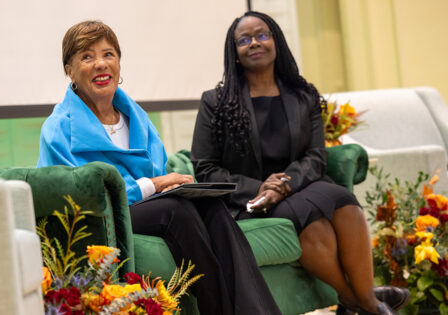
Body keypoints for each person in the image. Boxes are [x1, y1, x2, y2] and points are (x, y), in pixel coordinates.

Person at [37, 20, 281, 315]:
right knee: (174, 210)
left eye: (108, 54)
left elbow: (158, 169)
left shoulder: (136, 116)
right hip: (100, 217)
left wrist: (174, 185)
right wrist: (154, 185)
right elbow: (82, 195)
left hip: (145, 205)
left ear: (119, 62)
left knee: (212, 207)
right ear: (69, 70)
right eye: (87, 57)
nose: (100, 64)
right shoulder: (58, 128)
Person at [190, 11, 410, 315]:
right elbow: (205, 167)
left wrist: (284, 184)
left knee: (345, 202)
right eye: (244, 39)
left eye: (262, 35)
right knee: (314, 223)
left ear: (276, 42)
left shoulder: (303, 96)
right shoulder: (215, 102)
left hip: (301, 185)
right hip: (249, 199)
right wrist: (260, 188)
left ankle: (360, 300)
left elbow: (315, 157)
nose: (254, 42)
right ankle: (364, 302)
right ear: (235, 53)